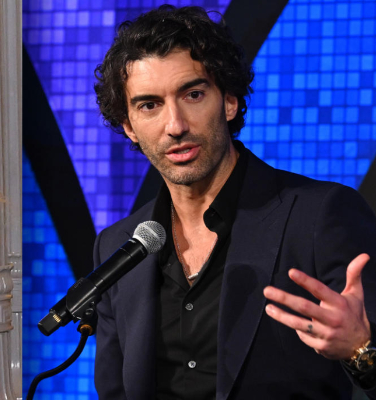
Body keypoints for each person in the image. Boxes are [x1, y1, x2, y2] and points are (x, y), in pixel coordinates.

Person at [92, 5, 376, 399]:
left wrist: (361, 350)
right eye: (149, 105)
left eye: (193, 94)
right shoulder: (117, 247)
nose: (175, 125)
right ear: (129, 127)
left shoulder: (320, 216)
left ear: (229, 101)